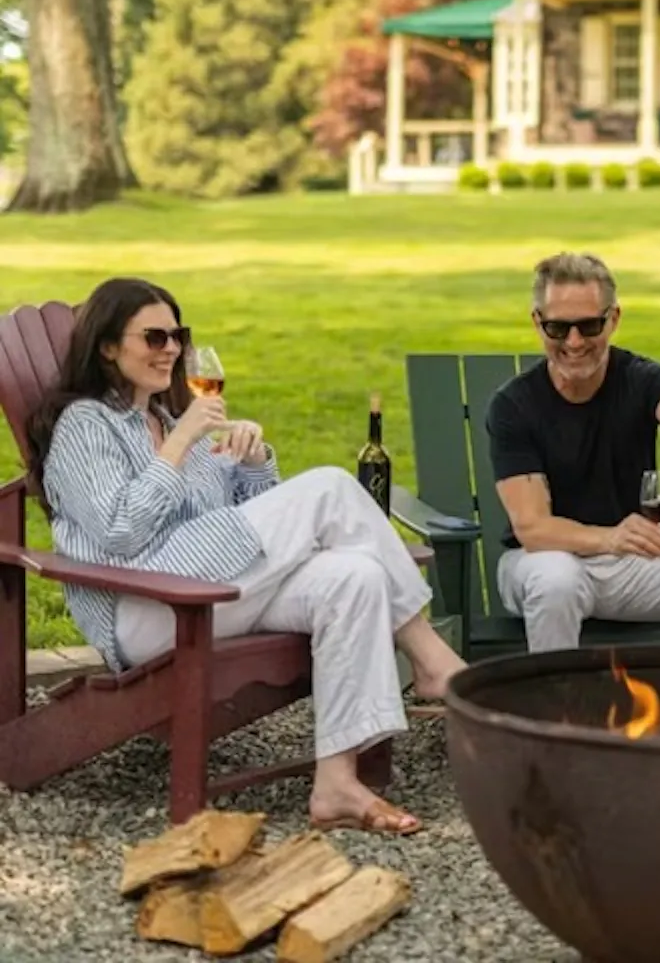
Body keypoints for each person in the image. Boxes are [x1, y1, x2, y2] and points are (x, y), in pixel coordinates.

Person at [26, 277, 464, 836]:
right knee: (330, 486)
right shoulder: (86, 426)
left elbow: (257, 526)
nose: (172, 350)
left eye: (178, 336)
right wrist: (180, 444)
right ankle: (432, 660)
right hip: (147, 607)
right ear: (108, 347)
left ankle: (337, 781)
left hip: (211, 590)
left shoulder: (169, 413)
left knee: (353, 576)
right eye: (154, 337)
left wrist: (252, 462)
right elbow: (119, 533)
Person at [485, 251, 660, 653]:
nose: (574, 342)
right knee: (557, 579)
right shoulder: (514, 405)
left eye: (589, 326)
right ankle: (560, 709)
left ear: (613, 319)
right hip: (542, 563)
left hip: (631, 564)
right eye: (557, 328)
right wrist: (611, 538)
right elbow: (533, 529)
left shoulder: (640, 379)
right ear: (538, 322)